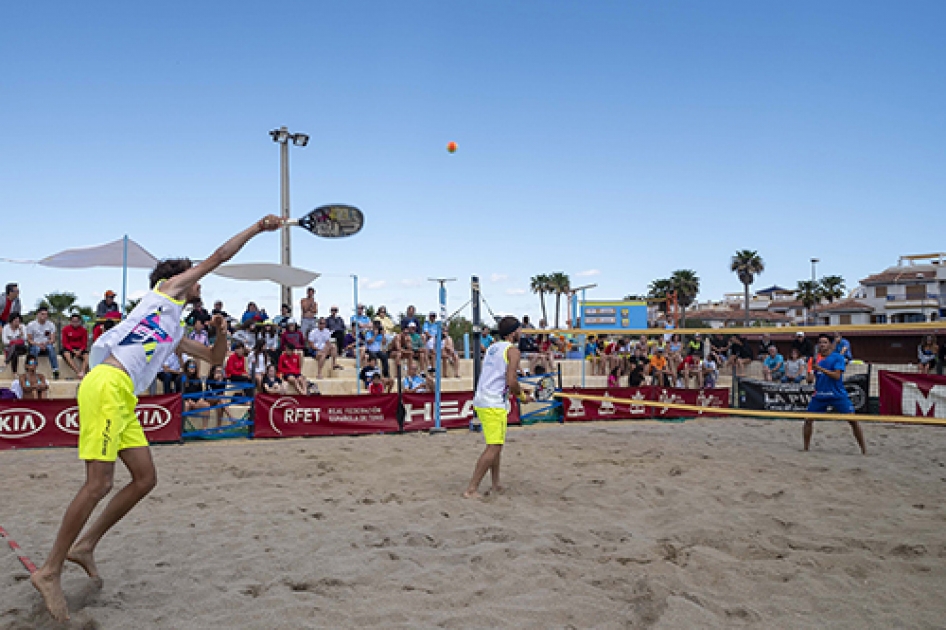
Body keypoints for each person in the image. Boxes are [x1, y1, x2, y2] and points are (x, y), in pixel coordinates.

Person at [30, 214, 280, 622]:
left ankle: (85, 545)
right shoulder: (166, 293)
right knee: (98, 484)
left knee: (145, 479)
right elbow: (217, 256)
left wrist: (220, 331)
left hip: (123, 396)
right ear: (179, 277)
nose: (200, 282)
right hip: (107, 385)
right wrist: (256, 228)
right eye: (195, 277)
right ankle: (49, 570)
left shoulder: (170, 326)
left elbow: (214, 359)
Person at [464, 316, 529, 500]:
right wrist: (522, 396)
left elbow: (501, 379)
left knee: (496, 445)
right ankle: (471, 489)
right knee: (494, 447)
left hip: (484, 398)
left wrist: (519, 390)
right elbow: (511, 381)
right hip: (493, 403)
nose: (521, 332)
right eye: (519, 329)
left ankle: (495, 484)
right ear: (513, 332)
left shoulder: (493, 347)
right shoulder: (513, 351)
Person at [803, 333, 866, 455]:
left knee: (853, 421)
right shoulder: (814, 359)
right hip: (820, 394)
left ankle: (863, 450)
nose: (822, 345)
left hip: (837, 394)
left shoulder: (837, 357)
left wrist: (820, 369)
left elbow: (837, 376)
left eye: (825, 342)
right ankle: (805, 448)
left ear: (830, 345)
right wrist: (810, 374)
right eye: (820, 342)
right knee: (808, 420)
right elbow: (810, 380)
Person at [27, 306, 60, 379]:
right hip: (35, 345)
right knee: (35, 350)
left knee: (51, 349)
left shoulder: (51, 325)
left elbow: (53, 339)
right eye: (42, 314)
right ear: (38, 314)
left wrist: (47, 343)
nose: (44, 316)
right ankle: (31, 370)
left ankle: (55, 370)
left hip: (47, 345)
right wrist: (38, 344)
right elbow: (29, 340)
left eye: (46, 314)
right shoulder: (31, 325)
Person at [59, 313, 90, 378]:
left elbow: (84, 343)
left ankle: (82, 372)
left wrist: (80, 351)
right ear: (70, 321)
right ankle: (78, 372)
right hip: (69, 348)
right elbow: (65, 343)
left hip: (80, 348)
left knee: (87, 356)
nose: (75, 323)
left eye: (77, 321)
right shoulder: (65, 329)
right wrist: (73, 351)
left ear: (79, 322)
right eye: (73, 321)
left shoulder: (83, 330)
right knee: (66, 354)